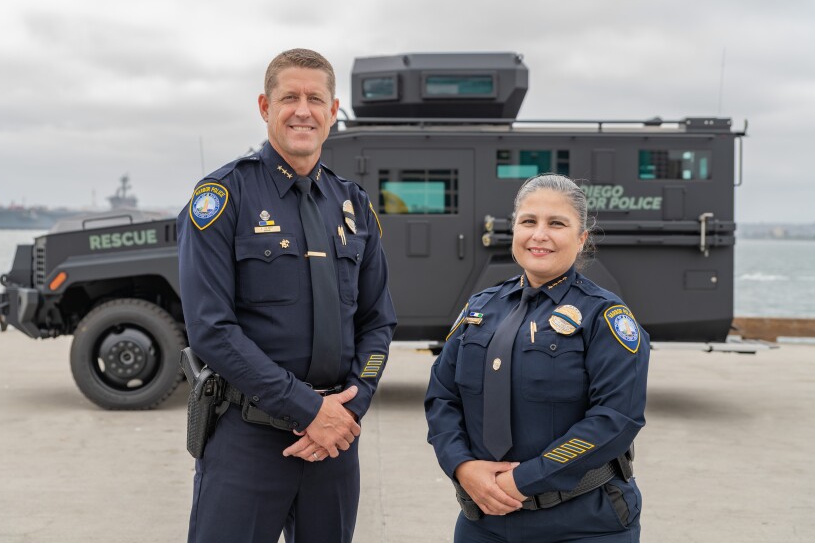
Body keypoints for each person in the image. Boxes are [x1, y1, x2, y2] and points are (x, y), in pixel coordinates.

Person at [177, 48, 397, 543]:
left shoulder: (353, 205)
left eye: (316, 98)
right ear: (264, 106)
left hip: (335, 444)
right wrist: (308, 410)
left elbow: (378, 321)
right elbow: (212, 331)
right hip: (248, 438)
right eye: (289, 97)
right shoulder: (222, 198)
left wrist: (348, 408)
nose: (303, 110)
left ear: (333, 111)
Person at [425, 174, 649, 542]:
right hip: (483, 522)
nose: (539, 234)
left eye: (556, 223)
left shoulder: (605, 316)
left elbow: (615, 419)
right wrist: (462, 466)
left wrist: (521, 481)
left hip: (583, 525)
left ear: (581, 239)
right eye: (528, 221)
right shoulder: (481, 308)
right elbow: (442, 397)